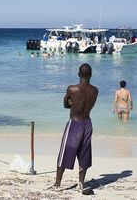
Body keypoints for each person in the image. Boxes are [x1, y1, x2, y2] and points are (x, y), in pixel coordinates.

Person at [53, 63, 98, 193]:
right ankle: (81, 184)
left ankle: (57, 184)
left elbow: (66, 105)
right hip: (87, 124)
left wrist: (70, 102)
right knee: (84, 153)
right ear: (91, 74)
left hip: (75, 123)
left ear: (78, 74)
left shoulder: (72, 89)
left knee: (64, 153)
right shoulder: (95, 90)